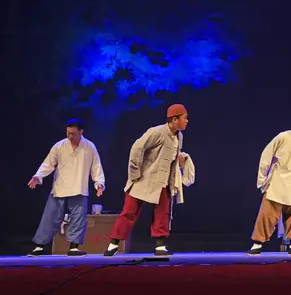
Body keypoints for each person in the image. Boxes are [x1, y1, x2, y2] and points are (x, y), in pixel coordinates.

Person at [104, 104, 195, 257]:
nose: (187, 121)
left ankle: (160, 246)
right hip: (144, 179)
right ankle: (113, 244)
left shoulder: (179, 136)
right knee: (129, 212)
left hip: (163, 181)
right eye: (185, 118)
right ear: (175, 119)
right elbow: (137, 148)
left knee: (163, 213)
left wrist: (180, 161)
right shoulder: (157, 132)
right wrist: (135, 174)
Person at [27, 119, 105, 257]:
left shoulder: (89, 147)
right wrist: (38, 176)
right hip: (60, 187)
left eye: (73, 133)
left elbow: (96, 166)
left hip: (79, 187)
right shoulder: (59, 146)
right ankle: (39, 246)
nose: (70, 136)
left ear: (81, 132)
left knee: (78, 219)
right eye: (68, 133)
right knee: (50, 217)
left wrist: (99, 183)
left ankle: (74, 247)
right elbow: (48, 164)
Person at [247, 112, 291, 255]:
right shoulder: (283, 137)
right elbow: (266, 156)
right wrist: (262, 181)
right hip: (278, 184)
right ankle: (257, 243)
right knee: (267, 215)